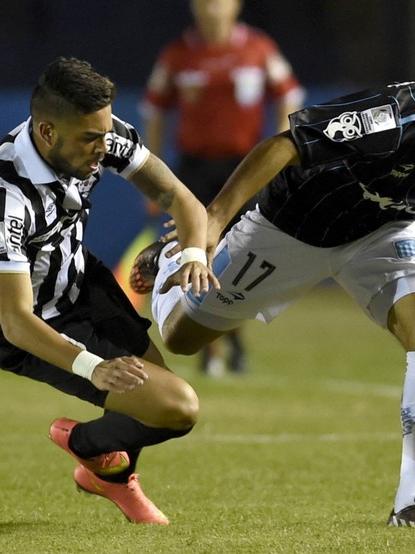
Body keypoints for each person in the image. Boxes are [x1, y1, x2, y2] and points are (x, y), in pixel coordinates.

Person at [132, 81, 415, 528]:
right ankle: (172, 256)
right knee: (181, 337)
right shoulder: (395, 119)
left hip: (385, 231)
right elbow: (285, 145)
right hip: (291, 227)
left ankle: (412, 503)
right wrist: (212, 220)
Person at [0, 57, 217, 525]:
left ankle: (105, 473)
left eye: (106, 132)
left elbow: (180, 198)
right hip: (26, 324)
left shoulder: (100, 135)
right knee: (175, 407)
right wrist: (94, 367)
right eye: (91, 138)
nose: (103, 147)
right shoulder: (1, 195)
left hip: (77, 280)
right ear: (47, 133)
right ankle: (87, 447)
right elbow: (16, 319)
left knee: (163, 409)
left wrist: (191, 257)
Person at [131, 0, 304, 376]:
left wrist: (279, 151)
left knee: (236, 257)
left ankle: (230, 342)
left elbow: (290, 94)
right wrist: (149, 173)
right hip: (193, 172)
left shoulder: (258, 49)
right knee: (194, 254)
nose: (212, 8)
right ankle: (208, 346)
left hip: (242, 170)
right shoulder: (178, 55)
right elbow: (155, 111)